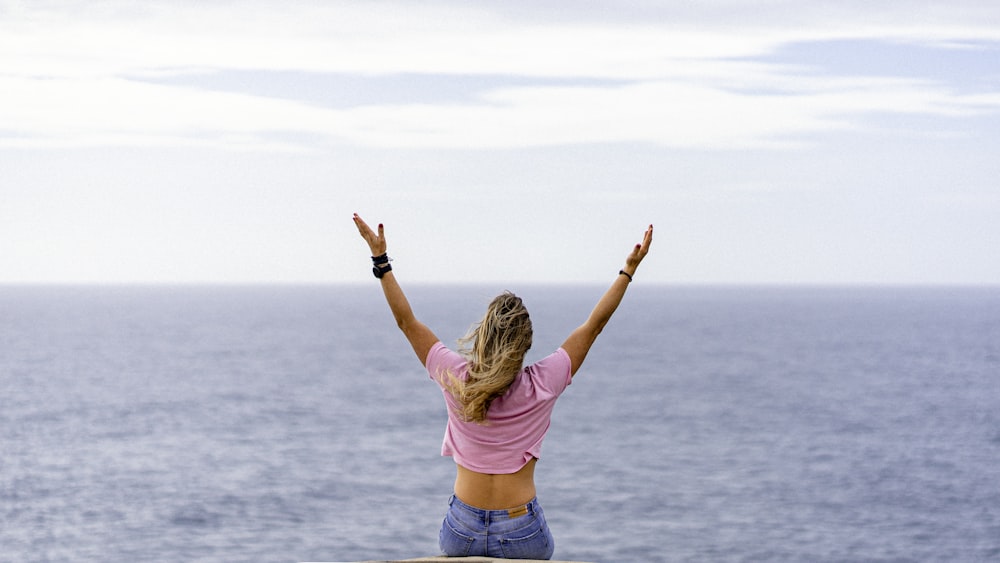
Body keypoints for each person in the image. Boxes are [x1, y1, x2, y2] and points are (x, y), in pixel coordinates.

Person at [352, 213, 653, 560]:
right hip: (521, 529)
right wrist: (627, 270)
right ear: (524, 344)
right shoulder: (544, 380)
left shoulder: (454, 376)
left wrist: (381, 261)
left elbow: (407, 322)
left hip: (461, 529)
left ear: (482, 335)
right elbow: (594, 326)